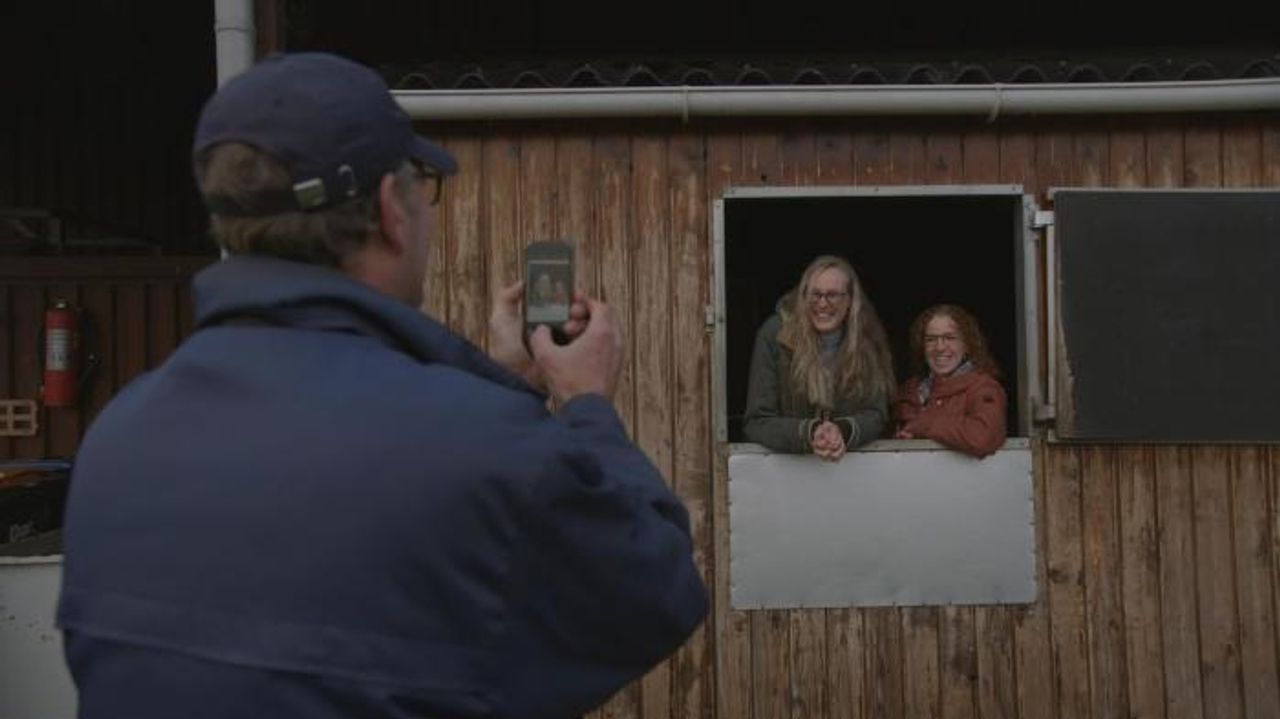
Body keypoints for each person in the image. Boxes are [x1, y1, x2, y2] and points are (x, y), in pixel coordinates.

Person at [57, 52, 707, 719]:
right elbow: (657, 588)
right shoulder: (482, 449)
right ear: (392, 209)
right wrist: (588, 401)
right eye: (421, 184)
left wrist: (503, 383)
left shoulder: (115, 437)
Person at [743, 254, 895, 460]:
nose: (822, 304)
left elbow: (876, 415)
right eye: (815, 294)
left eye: (832, 295)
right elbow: (757, 421)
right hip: (788, 474)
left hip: (851, 473)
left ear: (850, 300)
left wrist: (843, 431)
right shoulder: (775, 335)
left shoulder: (867, 340)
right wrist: (811, 432)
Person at [894, 304, 1007, 458]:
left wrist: (925, 425)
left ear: (967, 344)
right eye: (931, 339)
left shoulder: (983, 388)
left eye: (950, 338)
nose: (940, 347)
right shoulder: (910, 391)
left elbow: (983, 437)